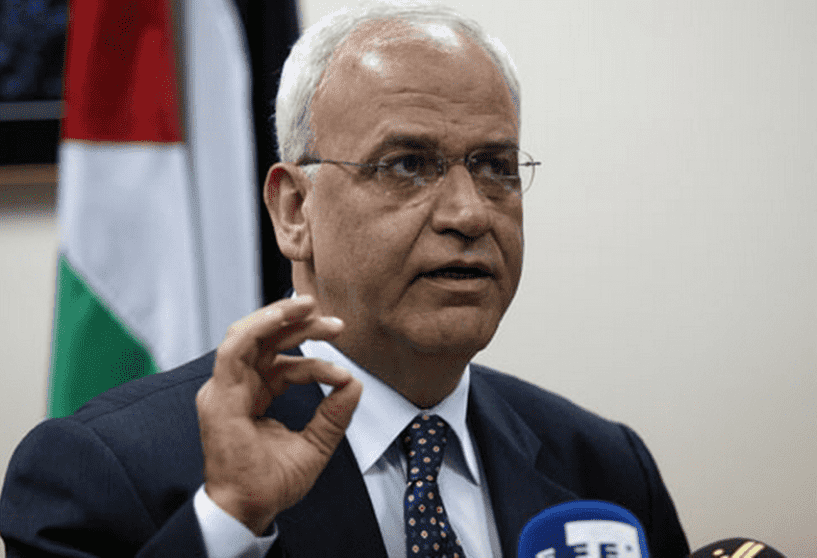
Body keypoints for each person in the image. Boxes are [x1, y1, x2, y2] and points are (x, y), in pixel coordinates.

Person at [0, 2, 690, 557]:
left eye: (493, 167)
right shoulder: (100, 471)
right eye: (407, 164)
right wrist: (230, 522)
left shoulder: (604, 468)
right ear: (294, 211)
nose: (468, 213)